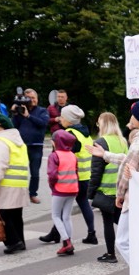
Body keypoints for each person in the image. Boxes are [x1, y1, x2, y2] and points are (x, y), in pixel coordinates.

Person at [88, 95, 139, 263]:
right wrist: (105, 154)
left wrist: (120, 194)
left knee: (123, 242)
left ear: (138, 117)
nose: (130, 116)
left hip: (136, 198)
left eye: (132, 113)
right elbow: (129, 159)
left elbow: (126, 167)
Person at [38, 104, 97, 244]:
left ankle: (59, 236)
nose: (60, 119)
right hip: (86, 176)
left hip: (73, 178)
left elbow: (64, 156)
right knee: (82, 204)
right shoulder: (85, 133)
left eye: (63, 117)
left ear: (69, 119)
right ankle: (91, 233)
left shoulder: (70, 134)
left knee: (61, 209)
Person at [0, 113, 29, 253]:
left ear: (0, 127)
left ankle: (13, 242)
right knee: (15, 215)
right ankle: (20, 241)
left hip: (5, 184)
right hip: (19, 184)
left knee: (1, 214)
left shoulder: (1, 143)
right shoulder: (18, 142)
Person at [87, 112, 128, 263]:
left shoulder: (101, 142)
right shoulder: (123, 141)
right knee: (121, 220)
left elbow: (96, 171)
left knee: (108, 222)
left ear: (103, 125)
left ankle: (111, 254)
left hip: (106, 189)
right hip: (120, 189)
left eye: (98, 124)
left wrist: (90, 193)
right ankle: (135, 245)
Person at [12, 88, 49, 204]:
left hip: (36, 146)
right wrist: (14, 113)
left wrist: (28, 116)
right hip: (21, 145)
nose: (32, 100)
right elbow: (13, 126)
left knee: (35, 172)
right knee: (18, 171)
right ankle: (18, 193)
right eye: (29, 98)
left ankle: (32, 194)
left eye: (34, 98)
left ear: (37, 99)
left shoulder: (42, 111)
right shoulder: (21, 110)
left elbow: (43, 123)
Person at [47, 130, 80, 256]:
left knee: (56, 216)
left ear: (56, 142)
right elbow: (76, 172)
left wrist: (52, 187)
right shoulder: (72, 155)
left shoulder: (54, 155)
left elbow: (52, 175)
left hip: (60, 189)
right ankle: (69, 241)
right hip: (73, 189)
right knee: (66, 217)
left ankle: (66, 243)